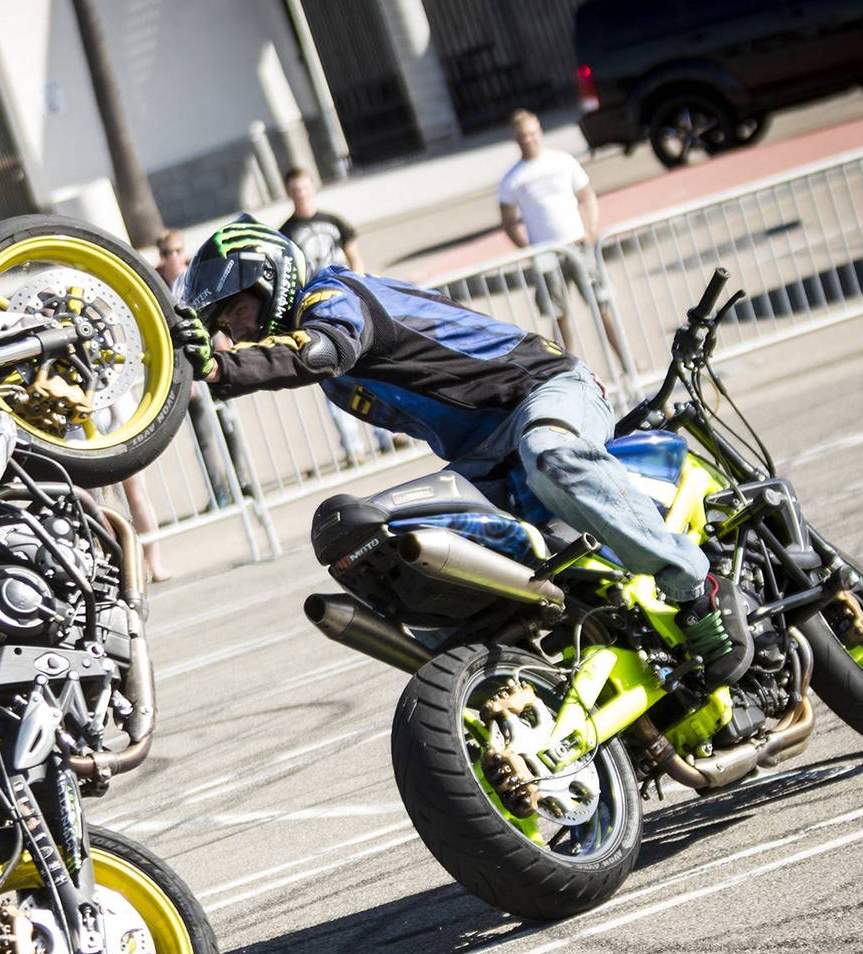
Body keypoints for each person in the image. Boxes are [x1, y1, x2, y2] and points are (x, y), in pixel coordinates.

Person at [171, 222, 752, 686]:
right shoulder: (333, 380)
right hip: (484, 458)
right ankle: (511, 679)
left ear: (267, 279)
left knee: (551, 452)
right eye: (222, 327)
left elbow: (322, 348)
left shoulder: (334, 296)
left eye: (234, 314)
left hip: (542, 393)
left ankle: (693, 581)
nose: (233, 332)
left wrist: (225, 365)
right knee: (389, 542)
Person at [497, 110, 629, 371]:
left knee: (601, 306)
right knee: (558, 316)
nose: (529, 140)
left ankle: (627, 364)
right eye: (523, 136)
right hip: (546, 253)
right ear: (516, 138)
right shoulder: (512, 179)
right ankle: (561, 373)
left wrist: (590, 229)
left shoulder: (562, 161)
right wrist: (528, 249)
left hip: (577, 244)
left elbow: (586, 195)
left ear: (540, 132)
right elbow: (508, 221)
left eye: (533, 133)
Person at [279, 169, 394, 460]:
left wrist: (361, 287)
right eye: (295, 189)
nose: (300, 193)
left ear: (312, 187)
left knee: (370, 369)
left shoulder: (333, 222)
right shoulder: (286, 233)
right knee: (332, 373)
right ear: (289, 193)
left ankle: (388, 432)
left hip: (347, 301)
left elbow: (354, 255)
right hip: (316, 311)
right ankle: (352, 445)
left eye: (304, 187)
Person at [159, 229, 252, 510]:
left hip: (214, 362)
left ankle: (242, 482)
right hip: (191, 373)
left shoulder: (196, 278)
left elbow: (216, 316)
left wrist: (224, 353)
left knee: (229, 427)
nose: (173, 257)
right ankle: (219, 491)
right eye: (166, 253)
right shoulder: (161, 287)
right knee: (204, 436)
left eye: (176, 250)